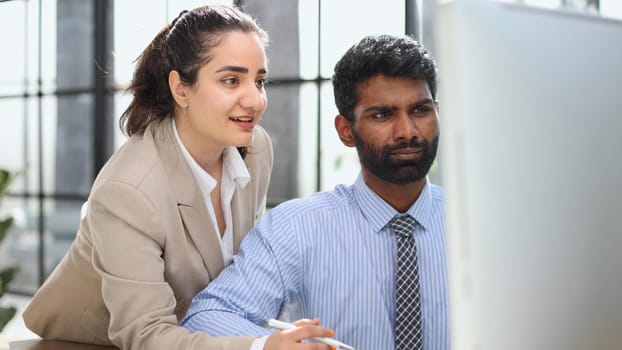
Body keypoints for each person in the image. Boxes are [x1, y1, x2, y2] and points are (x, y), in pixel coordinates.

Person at [22, 5, 331, 350]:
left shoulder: (256, 148)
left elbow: (228, 279)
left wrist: (278, 333)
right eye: (231, 80)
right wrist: (260, 347)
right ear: (181, 89)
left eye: (259, 81)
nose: (255, 100)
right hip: (94, 342)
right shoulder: (128, 190)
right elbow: (146, 333)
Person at [181, 34, 448, 350]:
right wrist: (271, 345)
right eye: (382, 115)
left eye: (420, 110)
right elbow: (206, 316)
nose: (407, 131)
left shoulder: (486, 228)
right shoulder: (293, 229)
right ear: (346, 131)